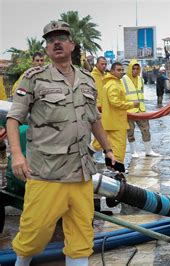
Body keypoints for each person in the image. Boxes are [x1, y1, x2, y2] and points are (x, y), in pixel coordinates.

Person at [6, 21, 115, 266]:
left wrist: (108, 149)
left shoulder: (87, 79)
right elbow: (13, 120)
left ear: (72, 45)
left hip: (81, 173)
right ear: (46, 48)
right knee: (33, 235)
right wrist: (17, 156)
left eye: (62, 38)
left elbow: (94, 119)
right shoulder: (34, 78)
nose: (56, 42)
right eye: (50, 39)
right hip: (46, 174)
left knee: (81, 237)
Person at [102, 62, 139, 172]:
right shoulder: (113, 84)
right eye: (118, 70)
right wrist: (132, 104)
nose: (121, 72)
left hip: (111, 121)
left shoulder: (110, 83)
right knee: (119, 147)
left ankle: (111, 169)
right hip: (116, 122)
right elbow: (116, 103)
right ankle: (118, 171)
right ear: (112, 71)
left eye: (122, 69)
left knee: (111, 147)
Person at [122, 60, 159, 158]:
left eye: (137, 69)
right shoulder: (123, 80)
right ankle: (133, 152)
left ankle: (149, 150)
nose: (135, 70)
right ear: (130, 69)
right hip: (129, 110)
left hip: (141, 109)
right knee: (130, 131)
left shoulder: (141, 80)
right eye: (133, 68)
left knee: (146, 129)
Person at [90, 56, 108, 162]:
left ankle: (99, 154)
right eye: (102, 63)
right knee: (98, 131)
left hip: (104, 108)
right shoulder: (92, 76)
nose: (104, 66)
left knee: (104, 131)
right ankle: (97, 155)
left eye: (105, 64)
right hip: (96, 107)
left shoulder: (105, 76)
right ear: (97, 64)